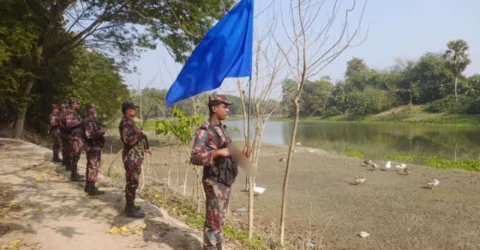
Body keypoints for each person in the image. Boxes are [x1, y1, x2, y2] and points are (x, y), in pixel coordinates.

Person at [190, 94, 251, 250]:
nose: (227, 110)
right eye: (224, 106)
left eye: (227, 107)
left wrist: (241, 155)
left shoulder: (221, 130)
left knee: (220, 220)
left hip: (224, 181)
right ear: (214, 108)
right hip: (213, 181)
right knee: (212, 221)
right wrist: (217, 153)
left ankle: (217, 247)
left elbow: (229, 152)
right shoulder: (205, 129)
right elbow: (195, 157)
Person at [119, 101, 151, 218]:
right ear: (127, 111)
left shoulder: (130, 123)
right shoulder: (125, 123)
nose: (135, 110)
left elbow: (135, 139)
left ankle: (130, 205)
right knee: (132, 182)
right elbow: (128, 140)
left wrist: (146, 147)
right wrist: (140, 134)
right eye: (133, 109)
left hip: (135, 156)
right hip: (131, 157)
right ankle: (129, 209)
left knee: (133, 182)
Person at [83, 104, 105, 196]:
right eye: (95, 108)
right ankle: (91, 188)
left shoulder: (93, 120)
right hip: (92, 147)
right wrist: (100, 132)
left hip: (94, 146)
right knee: (93, 167)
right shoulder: (88, 121)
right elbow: (88, 135)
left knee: (91, 166)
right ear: (90, 110)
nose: (96, 110)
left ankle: (88, 186)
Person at [64, 98, 84, 181]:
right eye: (77, 103)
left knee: (77, 156)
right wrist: (80, 121)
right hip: (73, 137)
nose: (79, 105)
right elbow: (68, 124)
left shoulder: (75, 113)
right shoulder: (69, 113)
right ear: (72, 104)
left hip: (77, 136)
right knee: (75, 156)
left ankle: (74, 173)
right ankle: (73, 175)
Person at [59, 104, 71, 169]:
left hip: (63, 133)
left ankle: (65, 162)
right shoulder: (64, 115)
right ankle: (67, 164)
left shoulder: (62, 115)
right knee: (67, 149)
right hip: (65, 133)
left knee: (65, 148)